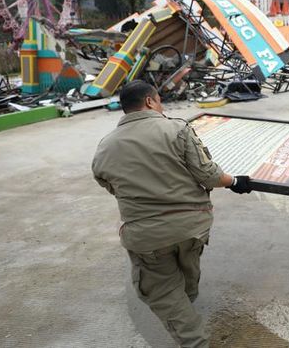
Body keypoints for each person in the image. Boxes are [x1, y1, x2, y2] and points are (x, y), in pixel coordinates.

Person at [92, 80, 252, 348]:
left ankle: (192, 336)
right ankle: (187, 300)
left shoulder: (106, 145)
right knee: (187, 260)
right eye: (159, 100)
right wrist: (235, 182)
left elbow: (105, 180)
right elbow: (208, 174)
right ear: (149, 101)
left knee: (162, 289)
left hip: (147, 234)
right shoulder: (177, 128)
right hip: (193, 225)